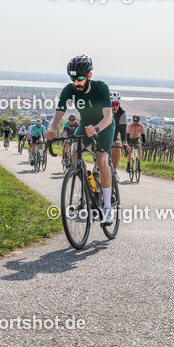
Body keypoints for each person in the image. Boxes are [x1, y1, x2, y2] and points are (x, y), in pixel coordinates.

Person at [46, 54, 116, 224]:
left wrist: (97, 128)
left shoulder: (101, 88)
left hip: (104, 126)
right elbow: (58, 115)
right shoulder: (68, 90)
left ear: (89, 76)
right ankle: (90, 182)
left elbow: (108, 117)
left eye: (79, 78)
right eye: (72, 78)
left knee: (101, 159)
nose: (76, 82)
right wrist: (52, 129)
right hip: (85, 123)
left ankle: (108, 208)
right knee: (74, 152)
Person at [108, 92, 129, 170]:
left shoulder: (122, 113)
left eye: (117, 105)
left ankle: (115, 170)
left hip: (114, 134)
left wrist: (124, 142)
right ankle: (97, 169)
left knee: (117, 145)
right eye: (113, 105)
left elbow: (123, 129)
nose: (115, 107)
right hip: (103, 134)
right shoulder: (103, 110)